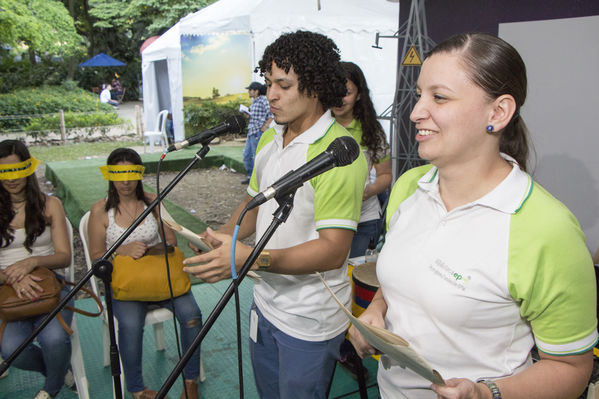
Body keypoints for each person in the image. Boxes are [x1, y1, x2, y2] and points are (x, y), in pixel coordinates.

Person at [348, 32, 598, 399]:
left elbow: (571, 369)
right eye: (419, 95)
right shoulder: (409, 187)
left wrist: (485, 393)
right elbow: (402, 280)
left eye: (439, 97)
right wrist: (376, 311)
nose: (415, 112)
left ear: (497, 113)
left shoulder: (547, 229)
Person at [183, 31, 367, 399]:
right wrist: (222, 236)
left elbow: (333, 251)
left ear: (314, 87)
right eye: (268, 83)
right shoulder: (271, 138)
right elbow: (252, 208)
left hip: (309, 319)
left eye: (283, 85)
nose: (270, 95)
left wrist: (251, 258)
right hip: (265, 302)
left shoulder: (339, 155)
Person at [87, 148, 203, 399]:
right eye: (118, 174)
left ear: (139, 174)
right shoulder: (100, 210)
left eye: (131, 173)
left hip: (161, 278)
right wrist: (122, 250)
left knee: (192, 315)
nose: (125, 181)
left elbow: (171, 240)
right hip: (126, 285)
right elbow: (96, 257)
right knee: (129, 325)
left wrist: (150, 250)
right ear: (109, 176)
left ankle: (191, 381)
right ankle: (137, 389)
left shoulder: (153, 201)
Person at [0, 140, 75, 399]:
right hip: (8, 290)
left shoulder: (50, 204)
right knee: (11, 351)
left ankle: (50, 390)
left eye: (17, 170)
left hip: (51, 284)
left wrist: (32, 262)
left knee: (55, 339)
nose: (11, 178)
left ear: (28, 169)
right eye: (4, 172)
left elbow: (64, 257)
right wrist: (13, 278)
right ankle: (59, 369)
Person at [332, 61, 392, 258]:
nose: (340, 99)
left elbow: (385, 175)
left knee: (353, 274)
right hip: (324, 220)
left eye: (347, 92)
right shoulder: (316, 127)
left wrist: (368, 191)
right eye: (335, 91)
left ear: (359, 95)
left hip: (363, 220)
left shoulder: (371, 130)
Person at [241, 81, 273, 184]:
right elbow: (257, 116)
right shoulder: (254, 102)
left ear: (256, 91)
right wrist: (248, 115)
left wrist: (265, 126)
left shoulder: (263, 100)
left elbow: (271, 114)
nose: (249, 92)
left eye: (250, 90)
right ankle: (251, 177)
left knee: (257, 156)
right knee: (246, 155)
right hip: (251, 132)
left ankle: (258, 180)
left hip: (257, 133)